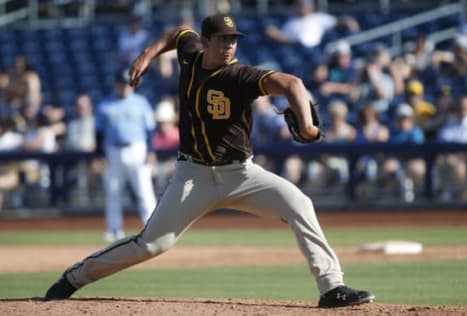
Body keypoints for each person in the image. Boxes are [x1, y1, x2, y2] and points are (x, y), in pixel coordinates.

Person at [44, 13, 374, 308]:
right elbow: (176, 33)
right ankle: (75, 277)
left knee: (299, 204)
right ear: (205, 42)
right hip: (193, 175)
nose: (230, 45)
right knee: (151, 245)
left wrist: (306, 124)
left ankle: (332, 288)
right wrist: (147, 54)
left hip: (242, 175)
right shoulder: (190, 55)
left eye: (233, 39)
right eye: (222, 39)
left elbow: (292, 83)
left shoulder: (240, 76)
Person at [95, 69, 157, 242]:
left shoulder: (140, 102)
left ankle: (152, 228)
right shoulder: (105, 104)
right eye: (121, 83)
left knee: (144, 191)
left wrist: (151, 151)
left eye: (127, 83)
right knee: (113, 191)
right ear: (116, 84)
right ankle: (113, 229)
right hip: (112, 150)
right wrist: (99, 155)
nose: (124, 87)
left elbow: (150, 129)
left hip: (137, 148)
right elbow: (98, 133)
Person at [264, 0, 358, 48]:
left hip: (316, 49)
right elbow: (284, 38)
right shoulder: (291, 22)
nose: (303, 8)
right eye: (301, 6)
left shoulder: (318, 17)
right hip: (296, 47)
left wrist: (348, 21)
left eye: (305, 6)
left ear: (310, 7)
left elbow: (337, 22)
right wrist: (275, 34)